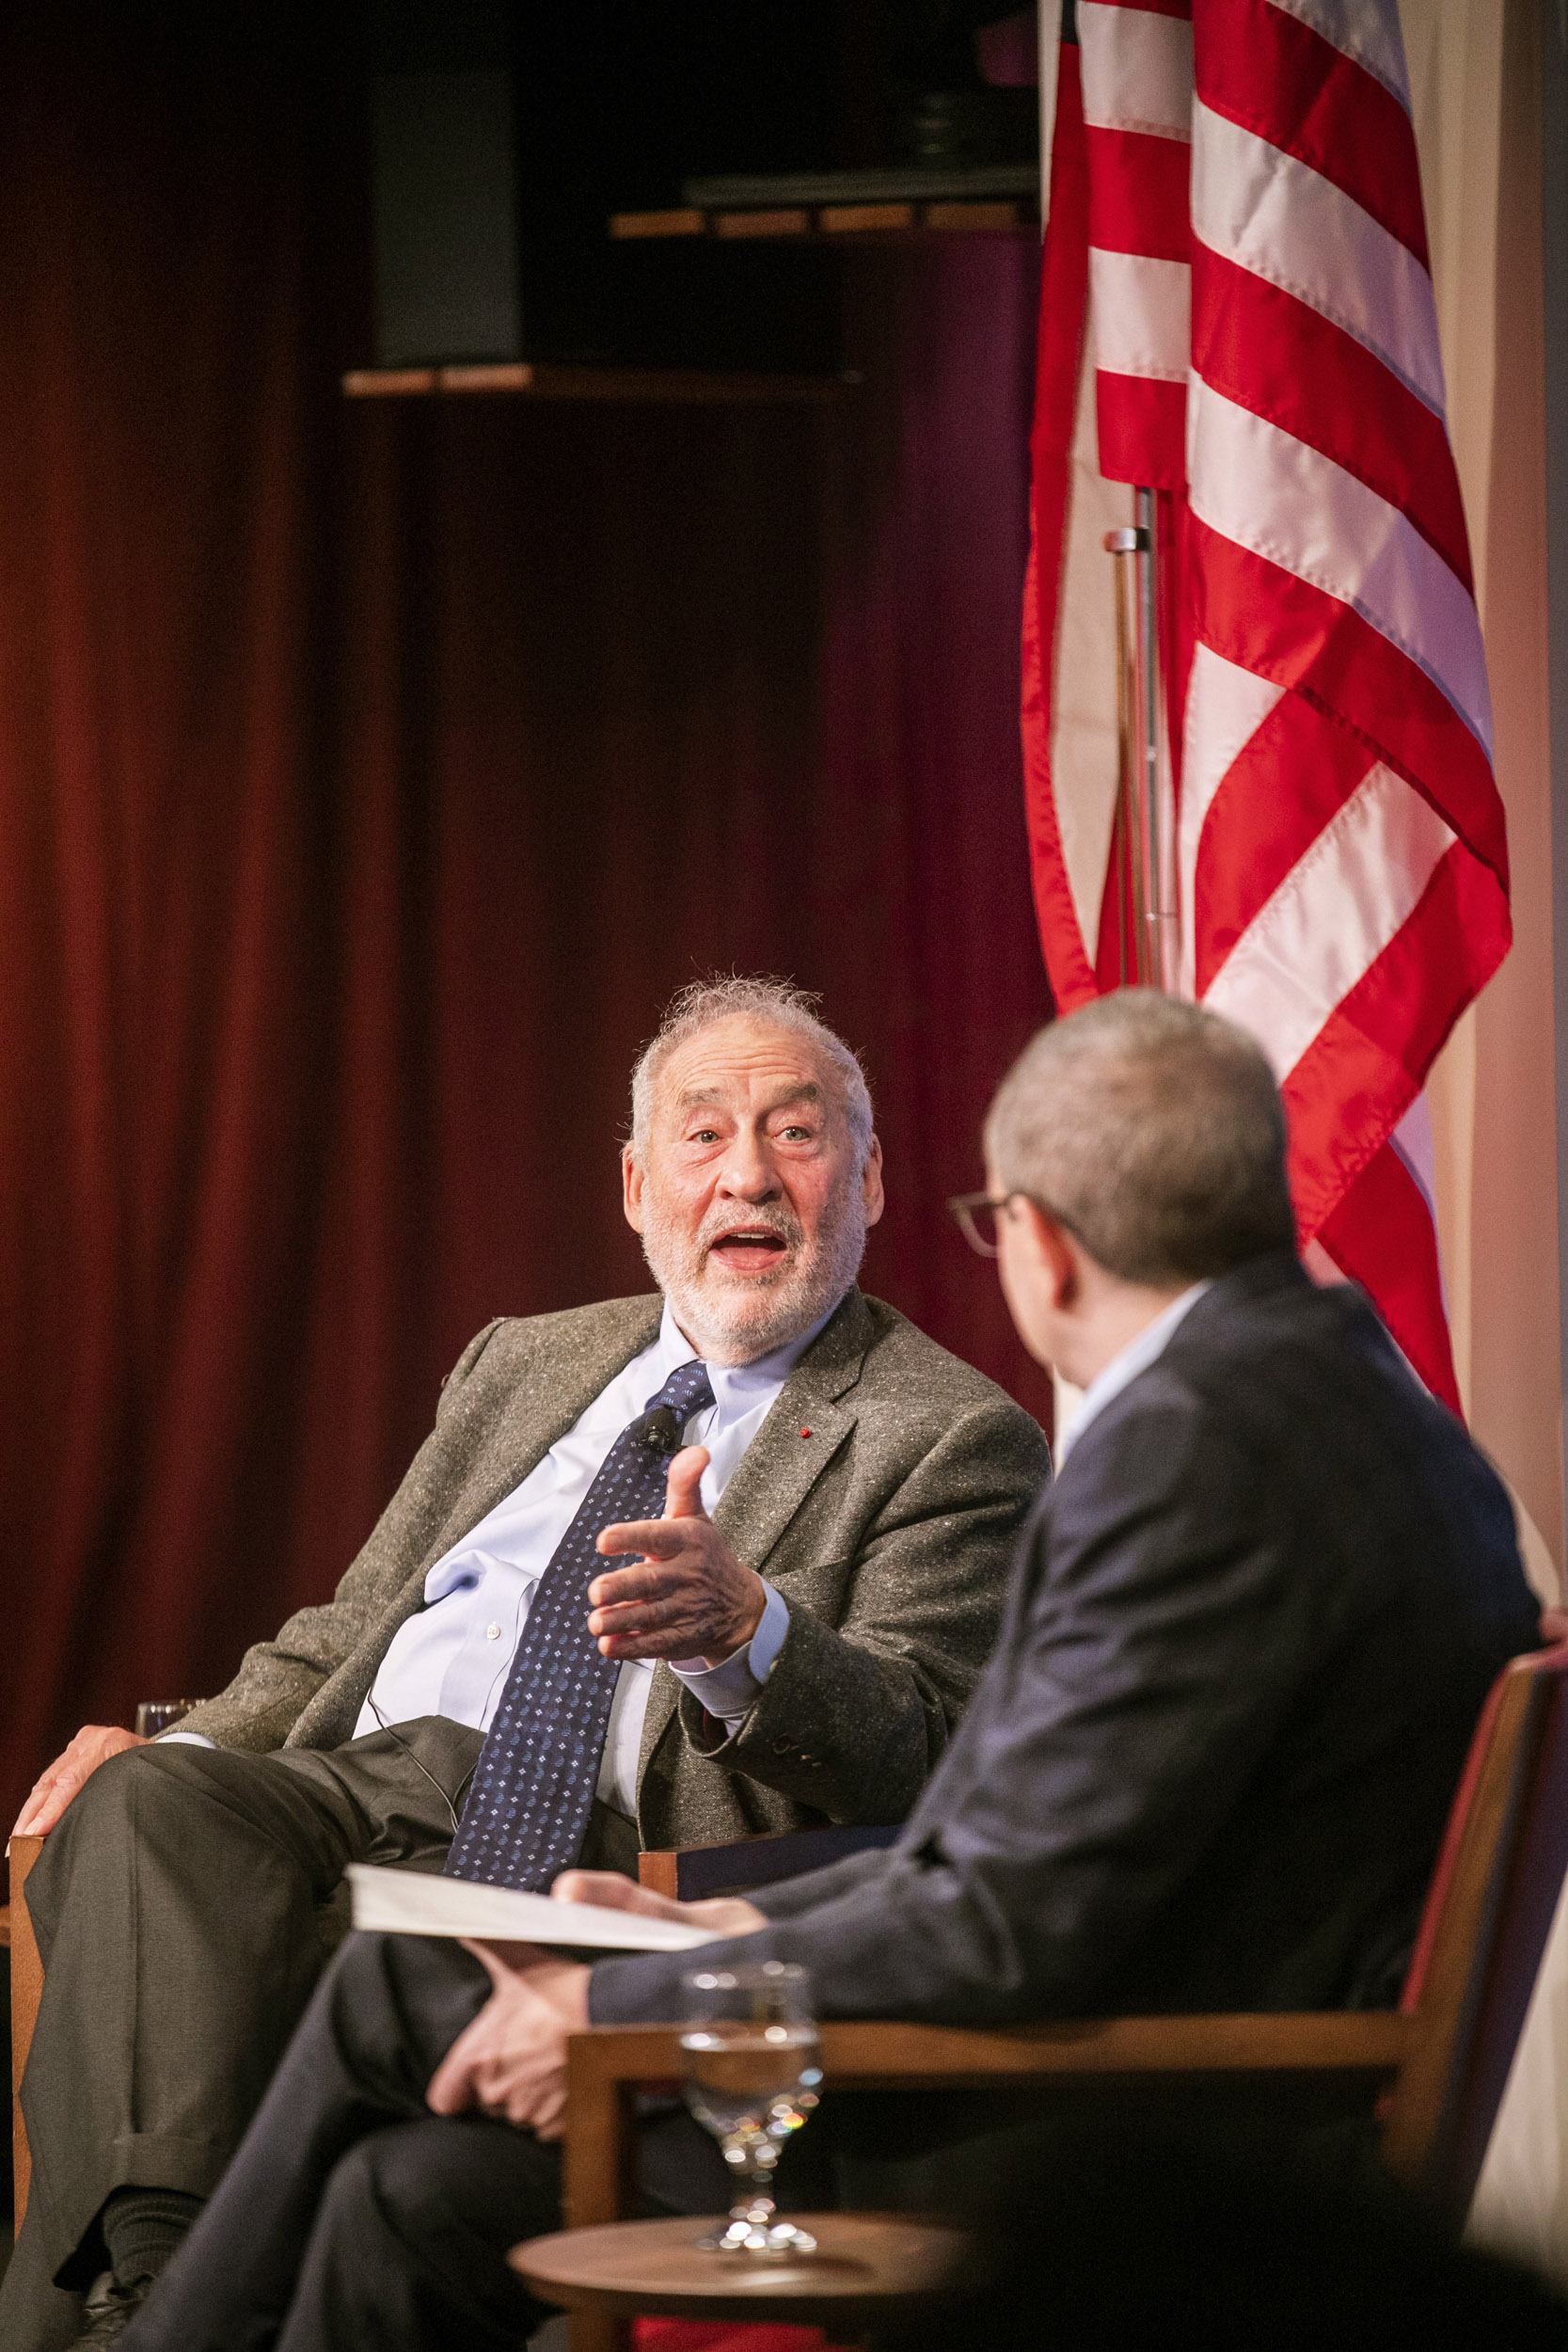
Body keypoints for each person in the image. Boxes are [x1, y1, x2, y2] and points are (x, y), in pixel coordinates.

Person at [118, 990, 1541, 2352]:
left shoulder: (1189, 1455)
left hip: (1132, 2129)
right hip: (1133, 2055)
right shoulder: (1348, 1400)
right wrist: (698, 1943)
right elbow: (1006, 1856)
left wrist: (627, 1998)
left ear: (1037, 1243)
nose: (749, 1175)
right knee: (406, 2199)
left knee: (393, 1995)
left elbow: (998, 1915)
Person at [4, 976, 1050, 2350]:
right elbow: (354, 1622)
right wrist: (181, 1736)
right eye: (703, 1134)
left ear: (869, 1179)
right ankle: (166, 2282)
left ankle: (146, 2323)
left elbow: (929, 1750)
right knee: (143, 1806)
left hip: (594, 1848)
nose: (749, 1175)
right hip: (363, 1784)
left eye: (797, 1136)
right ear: (636, 1184)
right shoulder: (525, 1360)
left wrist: (753, 1636)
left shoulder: (946, 1434)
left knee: (192, 1946)